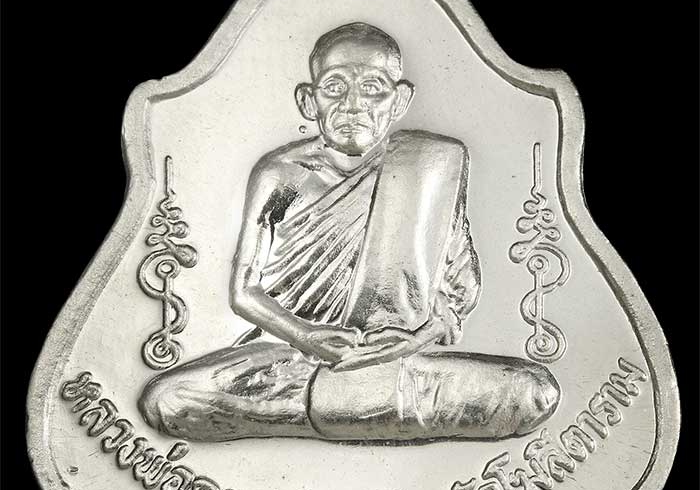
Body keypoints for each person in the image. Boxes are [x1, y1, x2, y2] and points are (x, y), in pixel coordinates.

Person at [139, 22, 559, 443]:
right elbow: (244, 292)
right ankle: (363, 410)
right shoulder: (280, 174)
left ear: (399, 100)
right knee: (167, 400)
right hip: (293, 361)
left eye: (373, 88)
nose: (354, 105)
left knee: (531, 393)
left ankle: (329, 410)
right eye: (335, 87)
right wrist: (306, 336)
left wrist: (413, 341)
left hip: (400, 360)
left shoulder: (431, 164)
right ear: (309, 101)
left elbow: (456, 294)